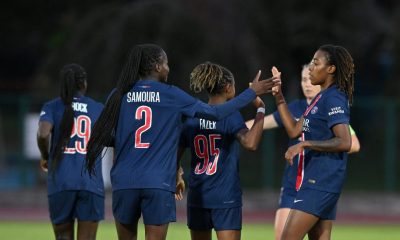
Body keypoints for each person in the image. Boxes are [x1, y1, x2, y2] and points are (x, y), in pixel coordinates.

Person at [85, 44, 279, 240]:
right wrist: (252, 93)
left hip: (124, 181)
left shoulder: (118, 94)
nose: (169, 68)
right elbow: (214, 113)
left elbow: (101, 137)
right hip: (157, 182)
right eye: (166, 63)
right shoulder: (170, 94)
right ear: (158, 67)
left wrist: (126, 141)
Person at [245, 64, 360, 240]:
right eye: (303, 79)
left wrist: (309, 145)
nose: (307, 84)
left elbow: (351, 143)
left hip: (318, 181)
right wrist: (230, 126)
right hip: (294, 182)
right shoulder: (301, 109)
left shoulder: (330, 105)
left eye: (310, 78)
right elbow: (286, 128)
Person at [175, 62, 266, 240]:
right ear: (228, 87)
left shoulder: (193, 116)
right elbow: (250, 143)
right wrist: (261, 109)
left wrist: (177, 174)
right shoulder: (230, 115)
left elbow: (175, 155)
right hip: (225, 197)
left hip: (197, 196)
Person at [273, 44, 355, 240]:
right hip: (317, 180)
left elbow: (345, 141)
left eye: (315, 63)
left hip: (321, 182)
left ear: (331, 69)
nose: (310, 68)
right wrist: (278, 96)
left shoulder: (334, 98)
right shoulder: (320, 98)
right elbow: (294, 129)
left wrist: (305, 144)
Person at [37, 63, 105, 240]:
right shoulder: (97, 108)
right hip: (91, 182)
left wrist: (46, 156)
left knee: (63, 237)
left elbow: (43, 134)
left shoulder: (52, 106)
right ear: (84, 84)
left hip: (61, 181)